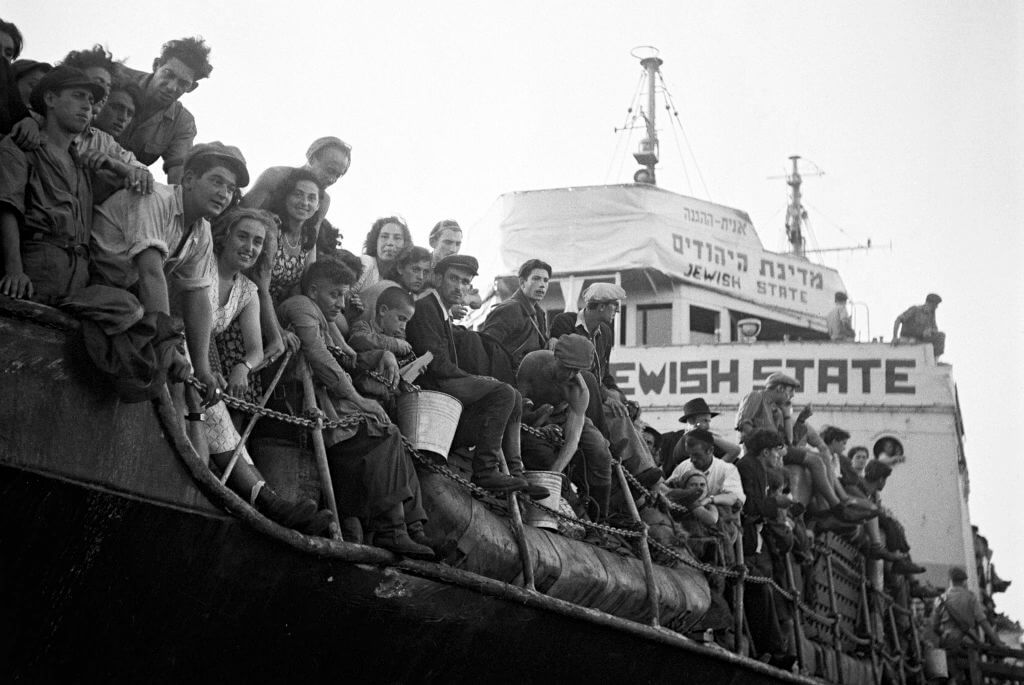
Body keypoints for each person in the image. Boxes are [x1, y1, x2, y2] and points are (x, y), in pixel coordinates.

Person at [275, 259, 433, 559]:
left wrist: (381, 354)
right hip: (302, 410)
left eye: (345, 295)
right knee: (382, 436)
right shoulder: (300, 307)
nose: (341, 303)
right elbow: (320, 357)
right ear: (313, 290)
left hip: (329, 407)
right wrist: (361, 401)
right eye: (335, 294)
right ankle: (391, 531)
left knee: (394, 435)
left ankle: (414, 528)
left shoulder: (326, 318)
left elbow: (349, 359)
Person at [201, 206, 332, 535]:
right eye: (242, 237)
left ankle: (272, 505)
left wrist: (243, 367)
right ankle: (270, 504)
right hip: (181, 352)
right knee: (217, 418)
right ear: (225, 236)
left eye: (257, 242)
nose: (249, 247)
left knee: (231, 432)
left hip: (204, 359)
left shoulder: (246, 289)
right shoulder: (202, 267)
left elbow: (258, 349)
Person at [90, 141, 249, 404]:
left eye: (231, 189)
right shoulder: (155, 199)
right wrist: (166, 345)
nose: (224, 194)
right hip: (92, 279)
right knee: (156, 344)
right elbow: (151, 273)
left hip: (125, 292)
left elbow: (197, 297)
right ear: (188, 179)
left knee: (173, 345)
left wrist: (204, 370)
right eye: (217, 182)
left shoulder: (202, 230)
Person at [405, 254, 531, 494]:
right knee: (503, 393)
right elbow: (437, 363)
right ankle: (485, 471)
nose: (459, 286)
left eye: (465, 282)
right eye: (454, 278)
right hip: (434, 391)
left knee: (512, 397)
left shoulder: (441, 310)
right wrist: (478, 380)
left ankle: (516, 472)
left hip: (444, 386)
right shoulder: (426, 308)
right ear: (437, 278)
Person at [0, 67, 109, 303]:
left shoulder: (81, 163)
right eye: (78, 95)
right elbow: (8, 208)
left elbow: (126, 183)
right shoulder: (21, 146)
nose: (87, 106)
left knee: (128, 309)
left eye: (90, 100)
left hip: (78, 276)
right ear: (50, 99)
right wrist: (14, 271)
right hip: (38, 269)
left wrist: (119, 167)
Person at [735, 371, 864, 520]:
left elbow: (789, 440)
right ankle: (835, 505)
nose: (792, 396)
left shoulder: (774, 409)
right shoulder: (755, 397)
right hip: (762, 451)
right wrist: (764, 443)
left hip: (776, 450)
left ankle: (830, 503)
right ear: (779, 389)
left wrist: (787, 414)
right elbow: (743, 423)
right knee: (815, 460)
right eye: (790, 392)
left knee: (820, 457)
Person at [516, 335, 614, 520]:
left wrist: (554, 474)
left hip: (566, 415)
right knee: (536, 447)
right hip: (534, 415)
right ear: (556, 356)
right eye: (566, 367)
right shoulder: (532, 363)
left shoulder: (579, 390)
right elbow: (519, 409)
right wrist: (541, 424)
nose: (570, 375)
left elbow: (572, 440)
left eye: (576, 370)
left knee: (600, 450)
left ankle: (600, 521)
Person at [735, 428, 796, 669]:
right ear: (766, 451)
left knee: (763, 590)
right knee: (760, 590)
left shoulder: (755, 466)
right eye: (777, 451)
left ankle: (773, 649)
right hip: (746, 539)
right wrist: (776, 503)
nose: (779, 457)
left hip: (753, 538)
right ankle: (772, 650)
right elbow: (750, 505)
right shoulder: (749, 466)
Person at [119, 37, 212, 184]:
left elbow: (177, 181)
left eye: (183, 83)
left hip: (122, 189)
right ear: (156, 65)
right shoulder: (116, 78)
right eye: (168, 74)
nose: (171, 87)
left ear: (191, 88)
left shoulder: (182, 123)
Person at [242, 135, 351, 240]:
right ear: (312, 158)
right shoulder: (275, 177)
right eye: (330, 170)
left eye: (338, 175)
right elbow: (238, 216)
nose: (332, 180)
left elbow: (310, 242)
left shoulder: (323, 201)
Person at [666, 428, 745, 562]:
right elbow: (668, 489)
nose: (692, 460)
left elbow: (733, 498)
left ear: (710, 451)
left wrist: (710, 500)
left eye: (696, 455)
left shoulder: (726, 469)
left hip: (719, 525)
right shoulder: (683, 467)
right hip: (686, 522)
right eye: (690, 455)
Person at [549, 282, 628, 408]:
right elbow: (571, 372)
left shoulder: (606, 332)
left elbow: (604, 374)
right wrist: (605, 396)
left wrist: (622, 399)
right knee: (618, 417)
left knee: (624, 409)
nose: (618, 310)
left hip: (595, 395)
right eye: (615, 305)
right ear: (601, 306)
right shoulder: (564, 322)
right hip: (572, 397)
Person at [932, 566, 1001, 684]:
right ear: (964, 581)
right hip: (968, 645)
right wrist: (997, 642)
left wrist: (945, 633)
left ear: (950, 580)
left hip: (947, 645)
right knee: (972, 679)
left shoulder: (940, 599)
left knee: (942, 679)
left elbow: (934, 627)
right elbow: (983, 622)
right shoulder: (970, 598)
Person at [481, 258, 551, 372]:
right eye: (536, 279)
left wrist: (551, 340)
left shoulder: (539, 313)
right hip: (510, 376)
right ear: (522, 282)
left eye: (546, 280)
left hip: (532, 374)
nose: (542, 285)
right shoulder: (510, 309)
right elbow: (486, 348)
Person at [662, 397, 742, 477]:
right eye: (704, 421)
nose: (708, 426)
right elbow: (735, 450)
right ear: (691, 421)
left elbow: (735, 451)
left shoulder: (709, 441)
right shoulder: (683, 441)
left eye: (708, 421)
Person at [354, 244, 432, 325]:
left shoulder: (406, 294)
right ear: (400, 268)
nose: (421, 277)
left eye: (425, 272)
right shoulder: (387, 289)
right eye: (415, 270)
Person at [349, 285, 415, 357]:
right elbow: (358, 340)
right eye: (401, 319)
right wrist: (394, 344)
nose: (403, 327)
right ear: (383, 310)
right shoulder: (362, 325)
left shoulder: (398, 336)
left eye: (406, 322)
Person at [352, 216, 411, 294]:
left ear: (405, 244)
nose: (390, 243)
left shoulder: (400, 278)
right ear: (375, 241)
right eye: (384, 236)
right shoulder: (366, 264)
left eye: (397, 238)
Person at [893, 293, 945, 357]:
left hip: (920, 339)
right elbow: (898, 319)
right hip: (907, 338)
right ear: (930, 304)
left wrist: (930, 331)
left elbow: (935, 329)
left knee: (941, 336)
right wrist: (895, 337)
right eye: (935, 305)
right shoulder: (915, 310)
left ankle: (934, 359)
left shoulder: (931, 315)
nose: (936, 307)